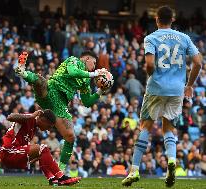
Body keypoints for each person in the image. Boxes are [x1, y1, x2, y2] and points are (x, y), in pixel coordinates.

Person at [122, 5, 201, 187]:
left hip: (156, 89)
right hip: (176, 90)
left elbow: (149, 64)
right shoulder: (184, 38)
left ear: (156, 19)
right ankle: (171, 162)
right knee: (169, 129)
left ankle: (134, 170)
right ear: (172, 19)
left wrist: (151, 75)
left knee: (145, 127)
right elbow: (198, 62)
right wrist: (189, 85)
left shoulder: (151, 38)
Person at [15, 50, 113, 171]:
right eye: (94, 63)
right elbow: (72, 72)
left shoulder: (85, 80)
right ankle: (22, 72)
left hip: (60, 105)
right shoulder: (74, 60)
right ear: (87, 59)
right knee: (40, 81)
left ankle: (59, 171)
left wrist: (101, 91)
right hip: (51, 91)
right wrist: (94, 74)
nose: (94, 67)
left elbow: (87, 102)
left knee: (70, 137)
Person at [0, 110, 81, 186]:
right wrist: (31, 116)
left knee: (42, 153)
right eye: (49, 126)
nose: (49, 129)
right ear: (43, 120)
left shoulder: (34, 127)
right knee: (43, 148)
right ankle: (61, 178)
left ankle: (52, 179)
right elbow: (10, 117)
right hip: (8, 152)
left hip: (15, 154)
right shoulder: (29, 117)